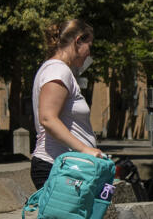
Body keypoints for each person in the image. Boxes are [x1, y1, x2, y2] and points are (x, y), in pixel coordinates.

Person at [30, 19, 102, 189]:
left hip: (66, 167)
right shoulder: (58, 70)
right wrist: (85, 150)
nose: (88, 54)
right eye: (89, 46)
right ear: (78, 41)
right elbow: (48, 119)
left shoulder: (59, 70)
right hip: (57, 167)